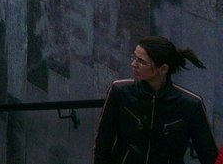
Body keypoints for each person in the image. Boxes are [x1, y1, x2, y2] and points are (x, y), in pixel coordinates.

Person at [93, 35, 218, 164]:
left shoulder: (190, 104)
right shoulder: (120, 91)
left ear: (163, 69)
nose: (134, 64)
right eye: (134, 57)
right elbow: (103, 143)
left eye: (142, 61)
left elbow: (208, 154)